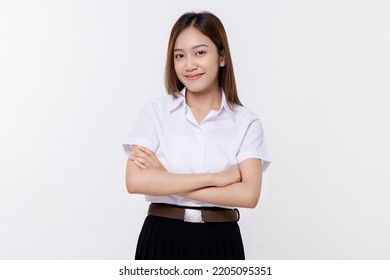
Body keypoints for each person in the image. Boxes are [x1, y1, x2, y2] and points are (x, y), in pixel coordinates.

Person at [122, 11, 270, 260]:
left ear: (222, 57)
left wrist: (165, 178)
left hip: (221, 239)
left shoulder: (246, 122)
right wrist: (217, 178)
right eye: (180, 55)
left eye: (200, 52)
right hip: (161, 236)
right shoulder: (156, 112)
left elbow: (248, 195)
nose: (189, 64)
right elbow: (135, 182)